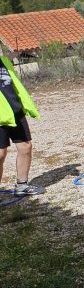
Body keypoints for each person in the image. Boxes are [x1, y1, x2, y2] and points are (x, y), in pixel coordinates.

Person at [0, 48, 44, 195]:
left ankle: (22, 185)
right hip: (1, 117)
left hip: (15, 111)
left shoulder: (4, 62)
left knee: (25, 147)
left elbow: (13, 86)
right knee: (0, 154)